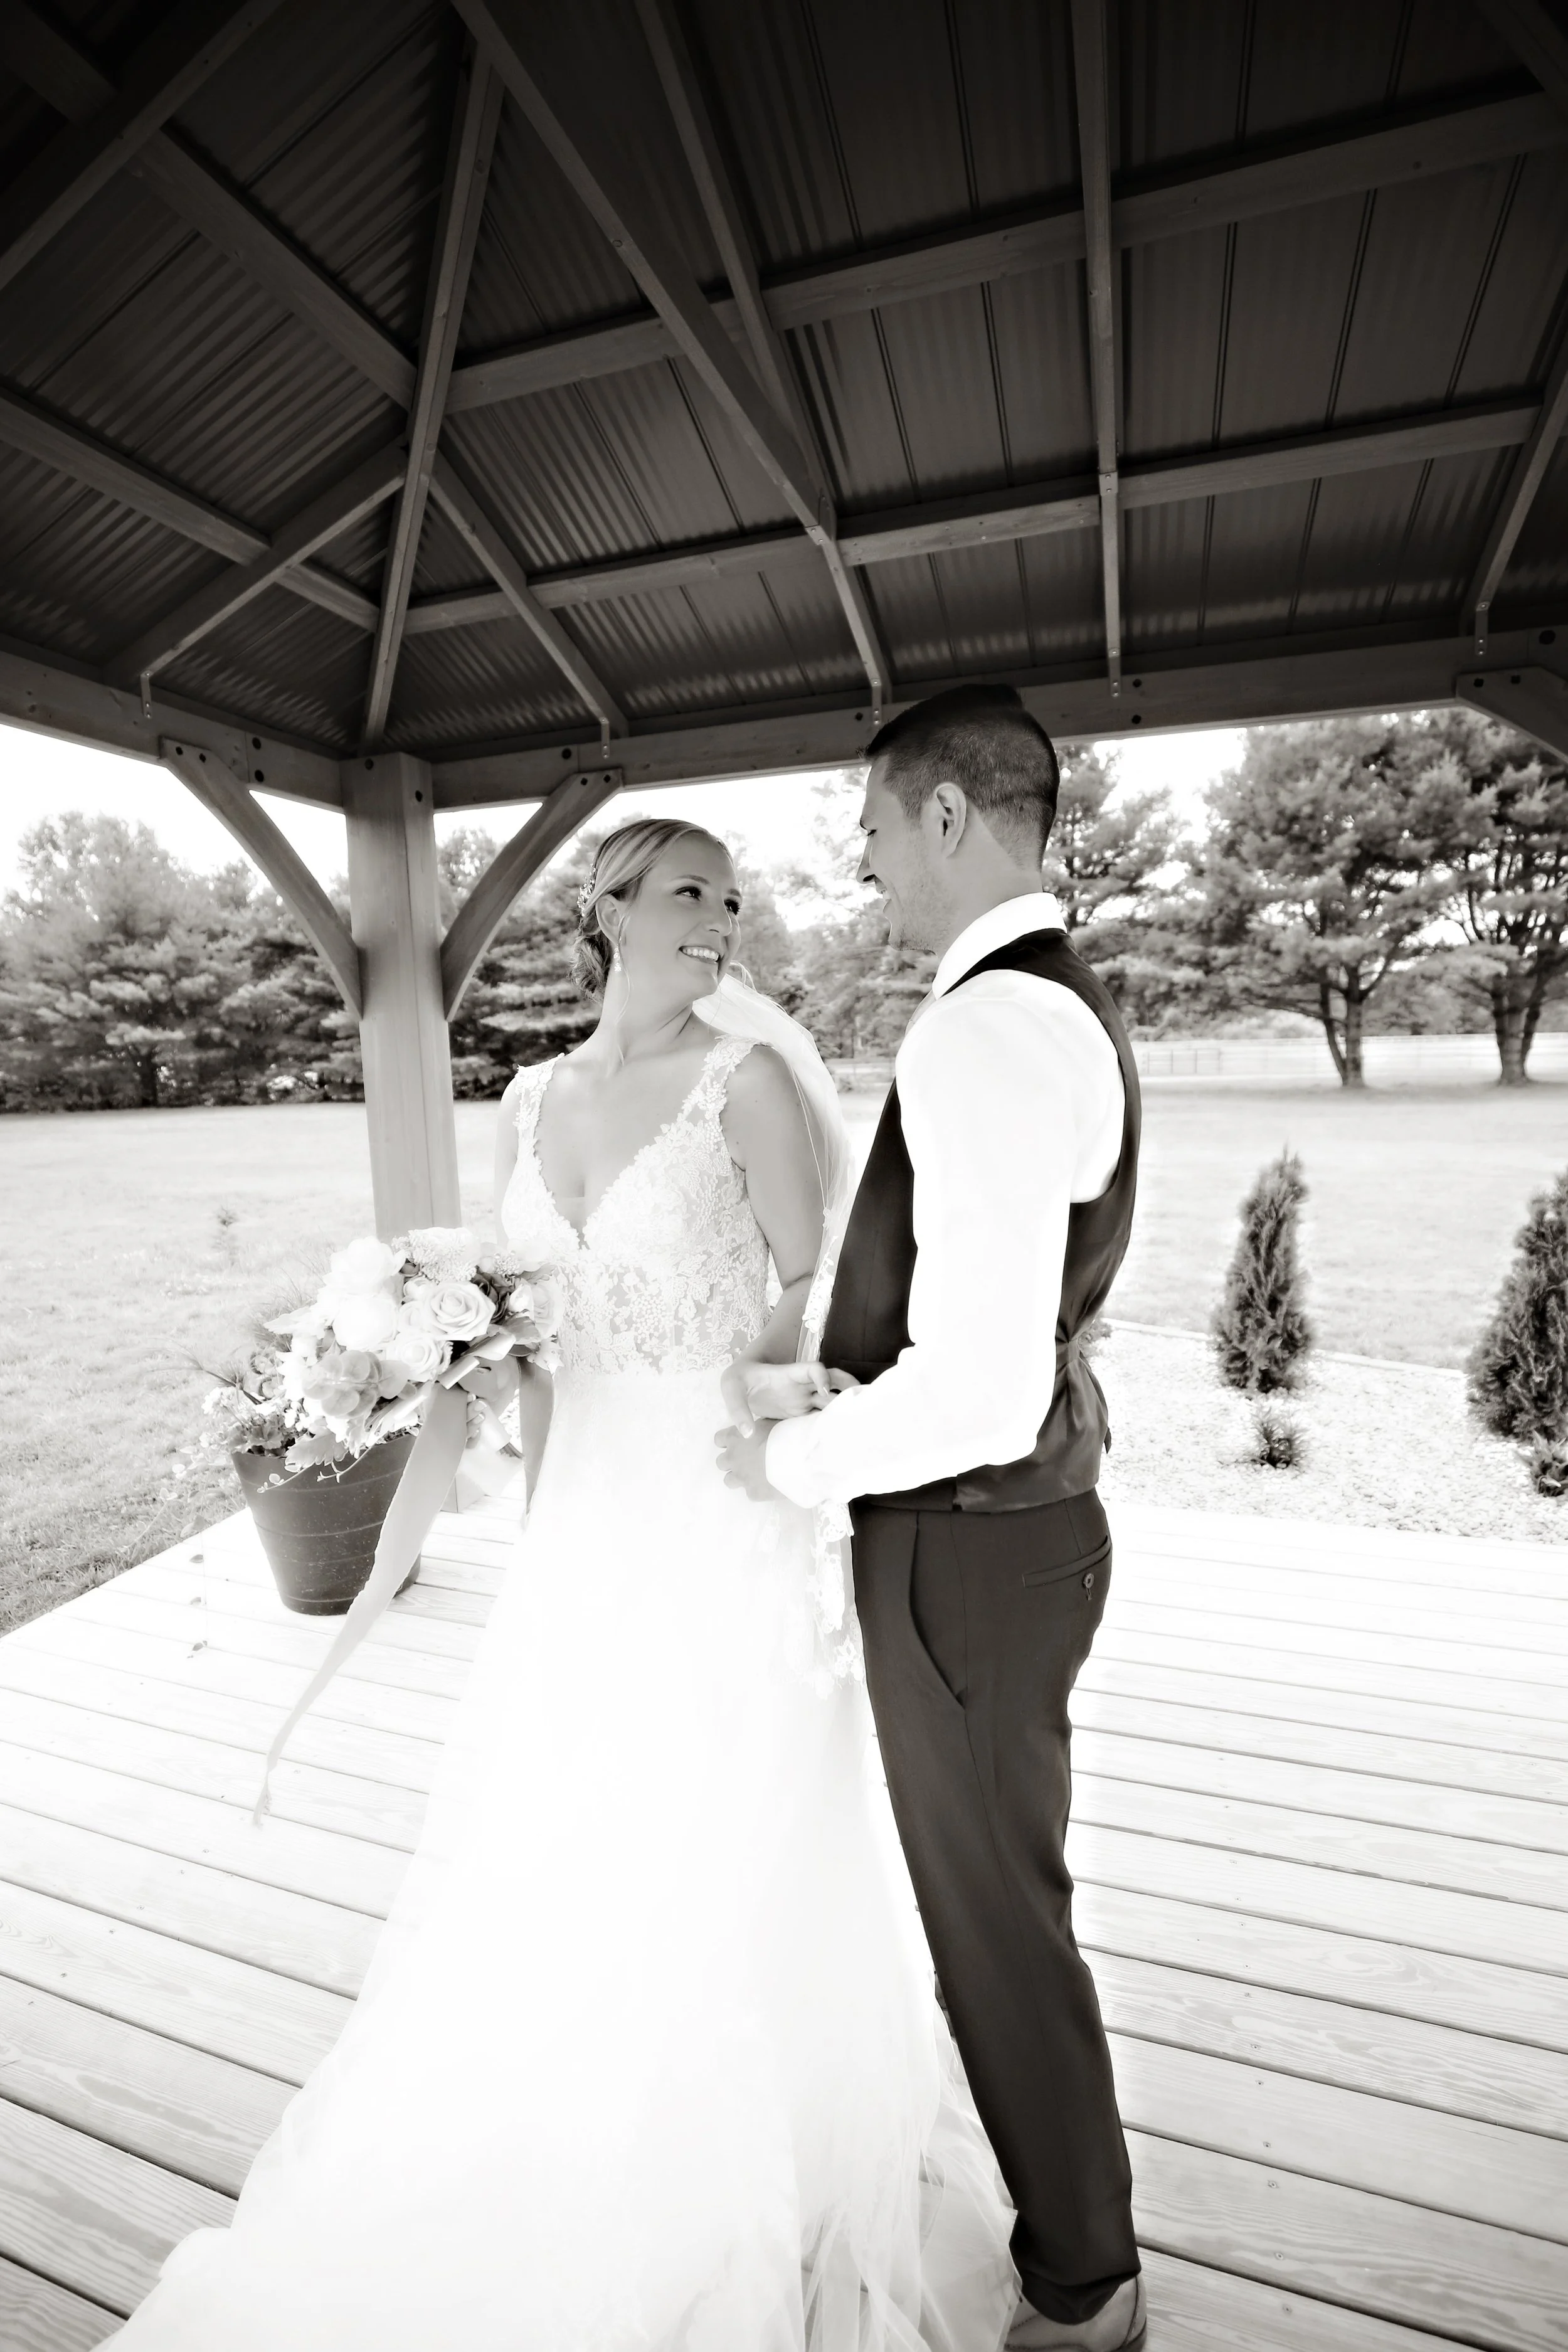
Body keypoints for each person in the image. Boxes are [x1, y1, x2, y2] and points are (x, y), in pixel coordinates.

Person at [109, 814, 1018, 2352]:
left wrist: (758, 1384)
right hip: (584, 1510)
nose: (718, 919)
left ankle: (741, 2156)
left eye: (732, 899)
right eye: (685, 893)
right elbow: (523, 1297)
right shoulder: (528, 1098)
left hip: (719, 1502)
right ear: (604, 911)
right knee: (570, 1808)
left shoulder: (748, 1088)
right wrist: (443, 1344)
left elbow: (811, 1286)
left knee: (712, 1816)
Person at [718, 686, 1147, 2352]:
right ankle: (1080, 2250)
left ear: (952, 816)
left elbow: (971, 1391)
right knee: (996, 1897)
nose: (872, 862)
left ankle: (1080, 2280)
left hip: (966, 1534)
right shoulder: (1050, 1002)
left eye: (880, 829)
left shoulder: (984, 1025)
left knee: (990, 1920)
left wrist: (789, 1465)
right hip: (1003, 1528)